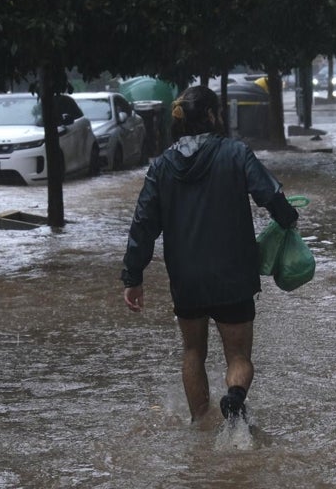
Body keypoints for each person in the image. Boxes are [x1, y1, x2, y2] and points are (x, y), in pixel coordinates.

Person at [120, 85, 299, 425]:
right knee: (238, 356)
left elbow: (143, 225)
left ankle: (201, 428)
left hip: (187, 281)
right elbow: (271, 196)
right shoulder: (236, 153)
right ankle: (234, 399)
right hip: (233, 277)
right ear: (213, 116)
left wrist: (133, 277)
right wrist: (289, 219)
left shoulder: (161, 168)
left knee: (192, 352)